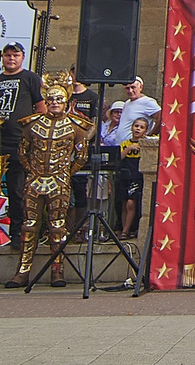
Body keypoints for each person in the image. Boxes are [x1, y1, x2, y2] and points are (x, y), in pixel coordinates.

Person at [9, 72, 90, 288]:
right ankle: (23, 271)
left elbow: (81, 157)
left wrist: (65, 173)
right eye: (51, 100)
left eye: (59, 99)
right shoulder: (31, 125)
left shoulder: (76, 127)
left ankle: (57, 270)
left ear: (66, 101)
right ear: (45, 101)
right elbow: (22, 153)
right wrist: (33, 171)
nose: (54, 103)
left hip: (59, 182)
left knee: (57, 227)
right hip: (34, 181)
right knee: (29, 225)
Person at [0, 43, 41, 250]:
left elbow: (40, 108)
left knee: (18, 191)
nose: (11, 59)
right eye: (7, 55)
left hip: (20, 144)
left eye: (15, 55)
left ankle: (18, 232)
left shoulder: (30, 78)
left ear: (22, 57)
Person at [102, 76, 160, 239]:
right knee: (120, 198)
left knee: (132, 200)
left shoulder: (148, 102)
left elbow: (160, 116)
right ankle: (119, 228)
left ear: (140, 87)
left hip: (137, 157)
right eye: (127, 88)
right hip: (122, 153)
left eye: (133, 87)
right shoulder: (127, 103)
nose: (130, 90)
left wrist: (148, 136)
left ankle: (129, 229)